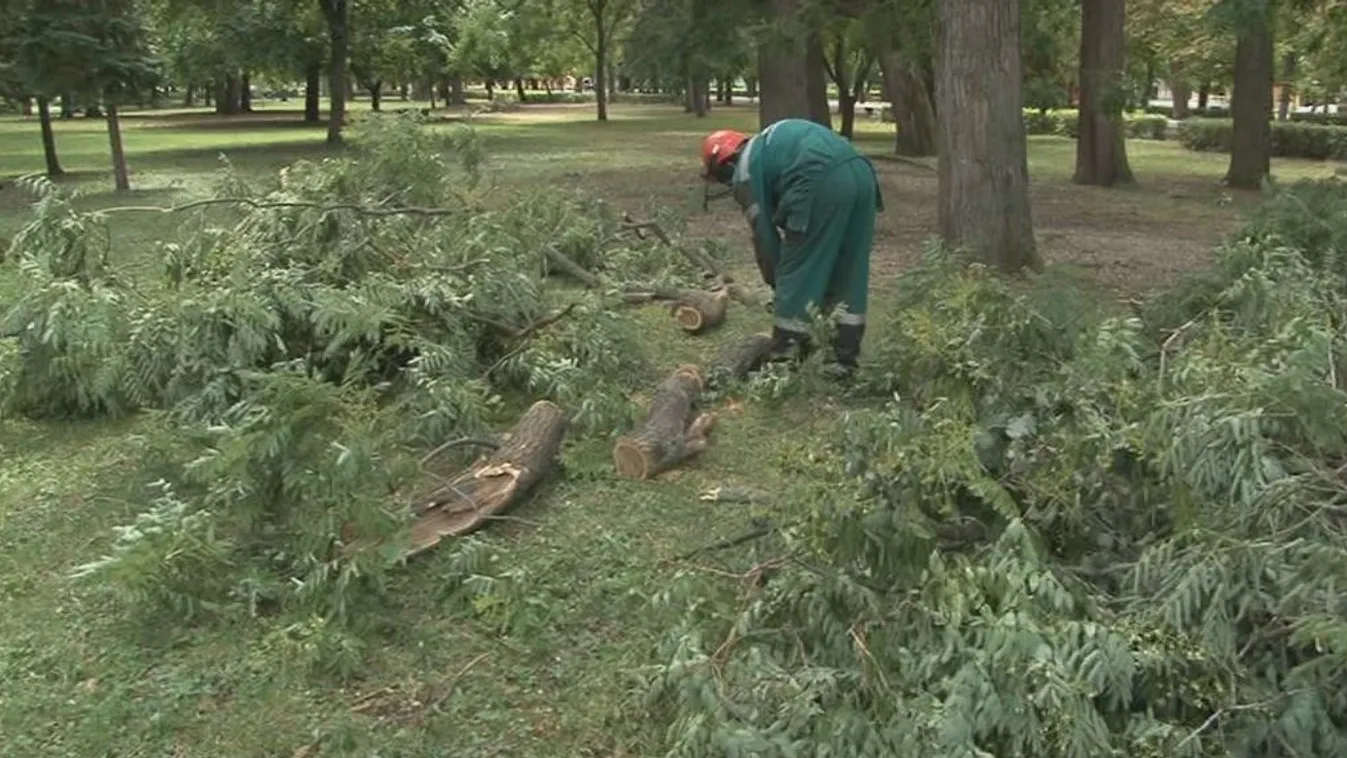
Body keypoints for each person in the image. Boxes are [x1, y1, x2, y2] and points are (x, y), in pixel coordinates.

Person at [700, 118, 883, 376]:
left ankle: (786, 359)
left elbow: (765, 236)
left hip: (819, 179)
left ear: (724, 165)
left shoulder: (745, 172)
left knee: (799, 269)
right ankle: (843, 360)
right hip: (862, 172)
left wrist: (779, 280)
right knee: (849, 267)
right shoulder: (770, 144)